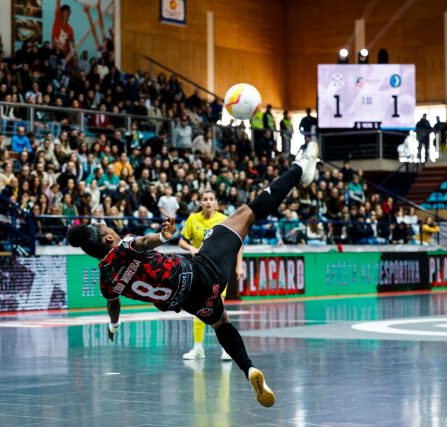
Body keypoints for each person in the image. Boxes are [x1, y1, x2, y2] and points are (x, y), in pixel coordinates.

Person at [67, 142, 320, 407]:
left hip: (186, 301)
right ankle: (299, 169)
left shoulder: (106, 280)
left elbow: (113, 304)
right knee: (246, 213)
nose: (114, 231)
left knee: (220, 322)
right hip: (199, 272)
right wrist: (161, 236)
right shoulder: (123, 246)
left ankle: (249, 369)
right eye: (110, 229)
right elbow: (142, 244)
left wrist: (114, 324)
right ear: (109, 238)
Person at [179, 190, 244, 361]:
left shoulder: (224, 220)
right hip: (198, 271)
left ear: (216, 202)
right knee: (199, 308)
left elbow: (238, 242)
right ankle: (198, 348)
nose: (208, 202)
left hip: (218, 270)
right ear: (200, 202)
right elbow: (181, 241)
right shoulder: (193, 219)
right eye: (205, 199)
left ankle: (227, 348)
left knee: (219, 308)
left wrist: (239, 265)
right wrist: (190, 248)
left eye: (211, 199)